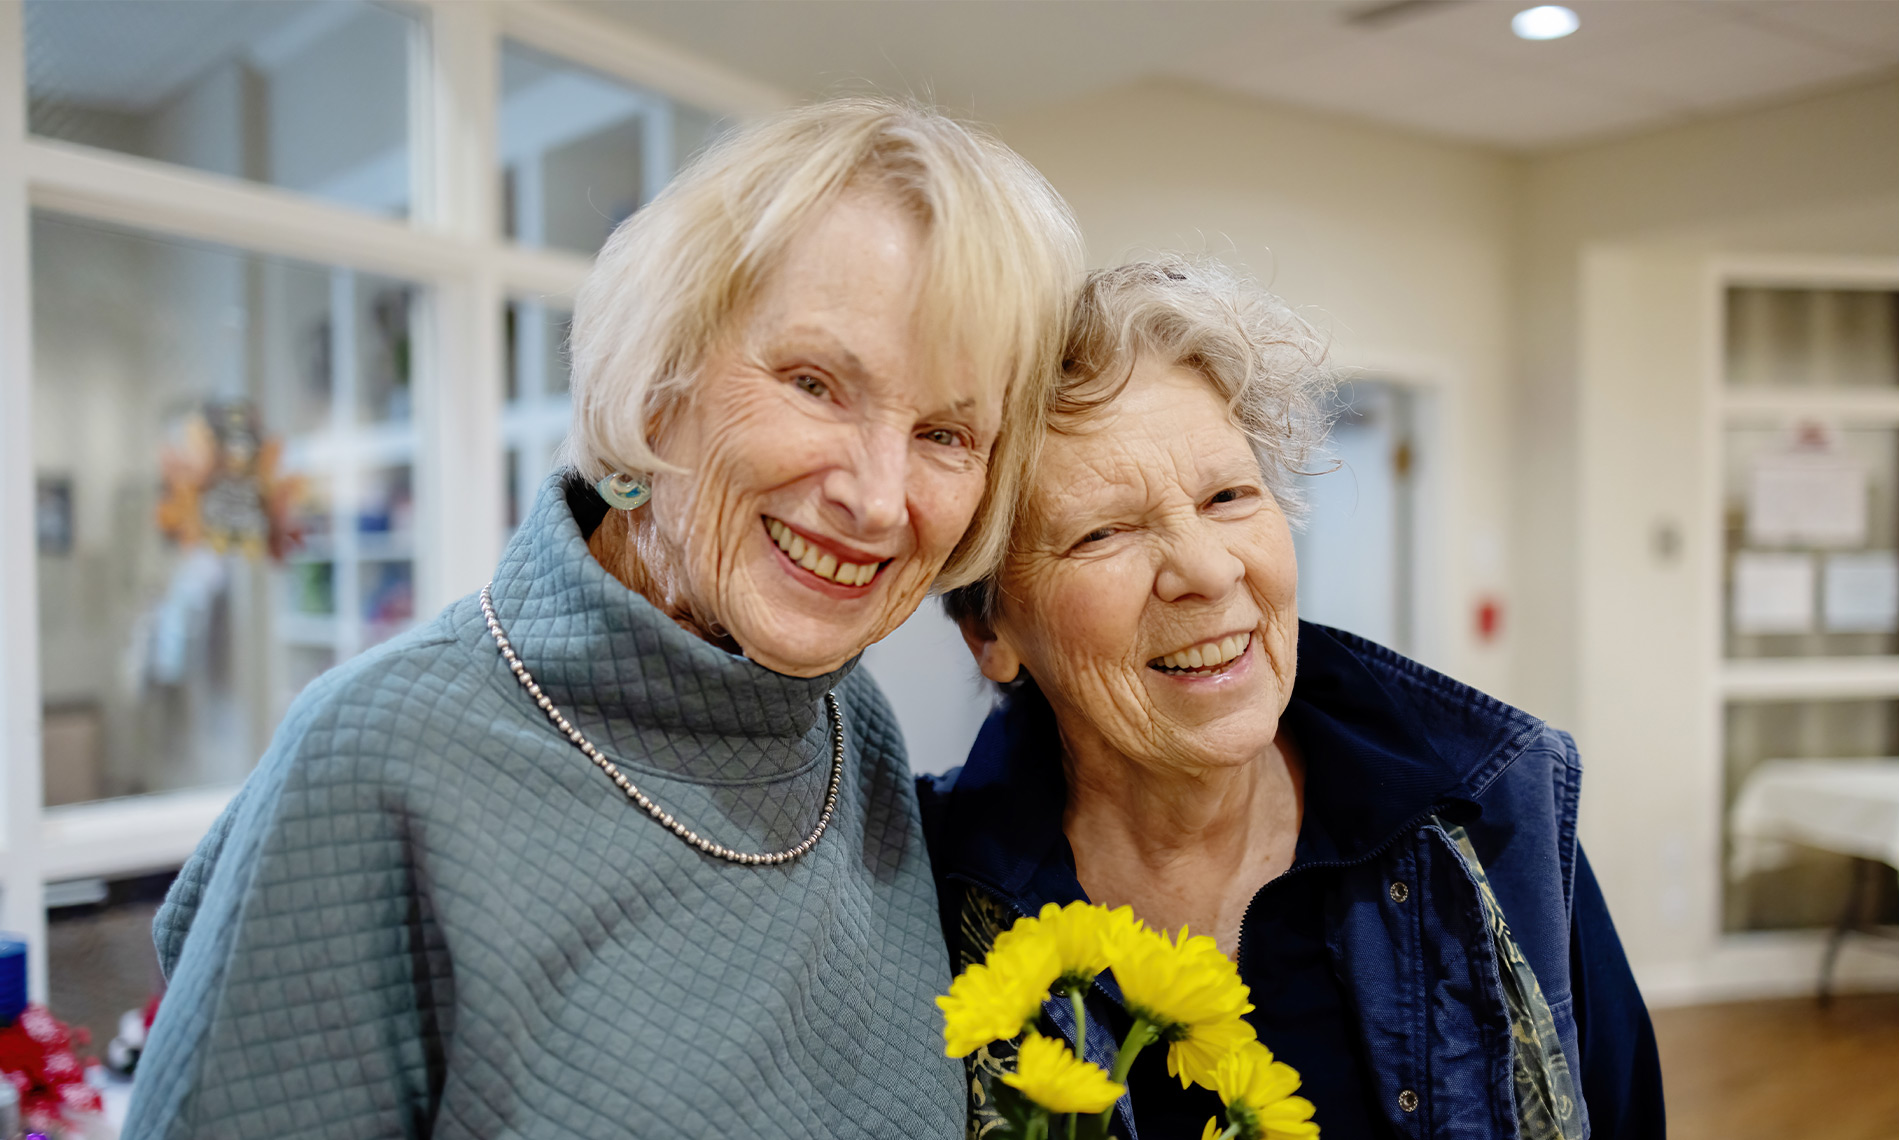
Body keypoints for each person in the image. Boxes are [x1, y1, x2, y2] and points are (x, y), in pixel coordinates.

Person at [126, 97, 1083, 1140]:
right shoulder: (377, 762)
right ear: (660, 374)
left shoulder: (856, 732)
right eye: (815, 383)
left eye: (947, 434)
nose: (876, 496)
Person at [921, 258, 1664, 1139]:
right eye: (1102, 531)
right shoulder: (925, 903)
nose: (1208, 569)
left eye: (1230, 495)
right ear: (989, 632)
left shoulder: (1498, 813)